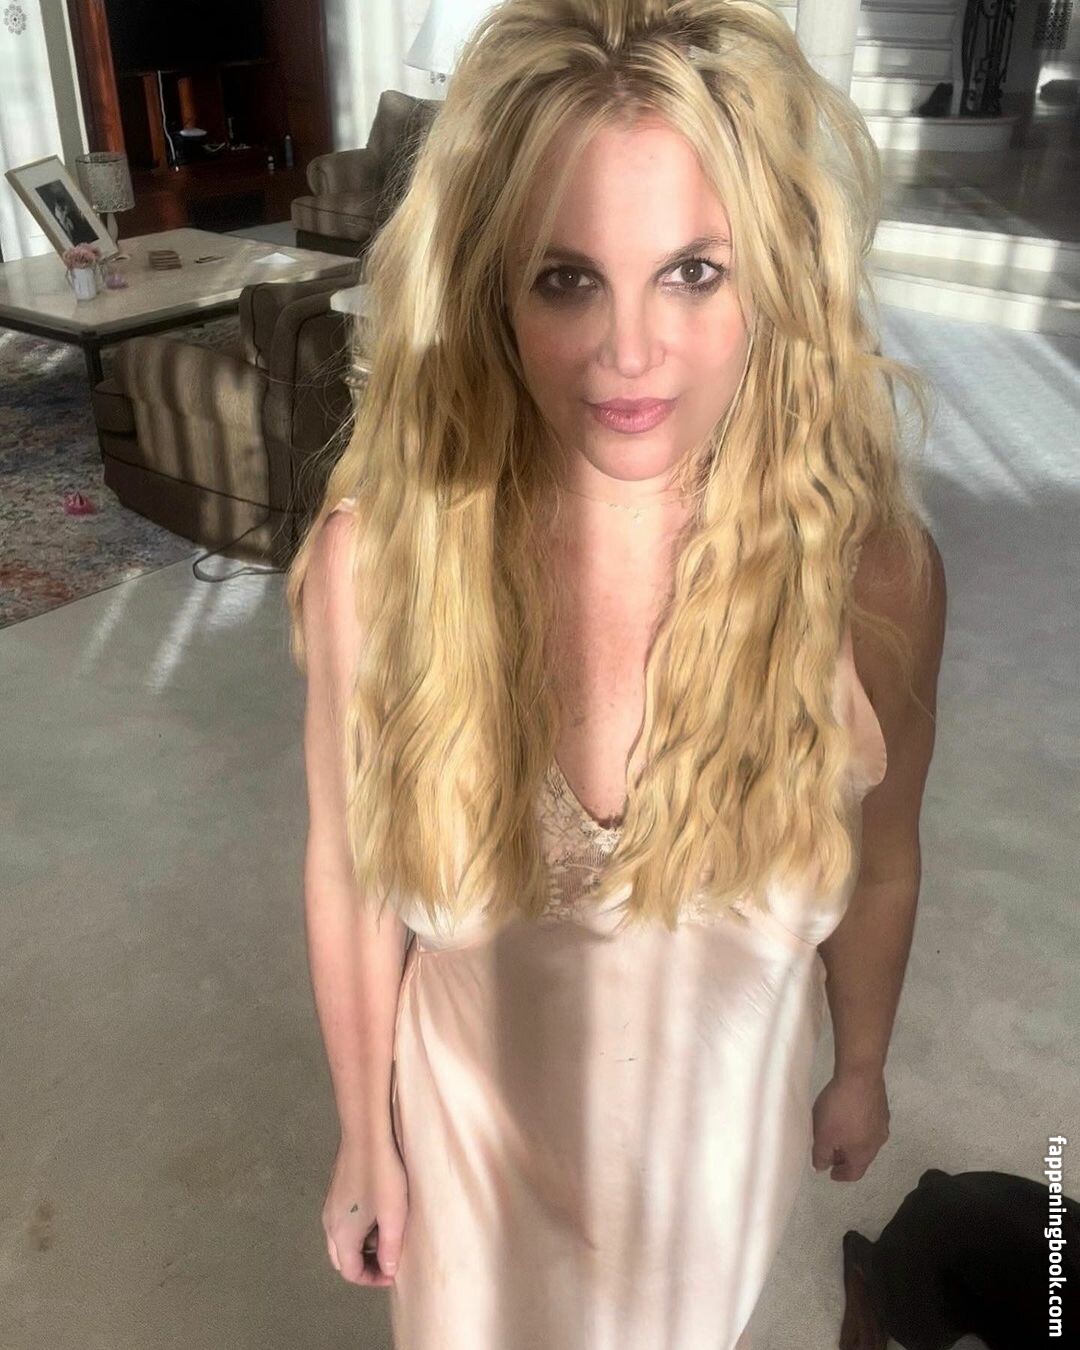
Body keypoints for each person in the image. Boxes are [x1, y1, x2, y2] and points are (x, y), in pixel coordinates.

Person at [286, 1, 947, 1346]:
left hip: (716, 1194)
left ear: (774, 276)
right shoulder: (384, 565)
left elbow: (883, 859)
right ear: (491, 289)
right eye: (567, 278)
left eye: (693, 271)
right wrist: (363, 1135)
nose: (628, 353)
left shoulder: (870, 576)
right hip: (469, 1180)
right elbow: (352, 869)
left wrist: (861, 1062)